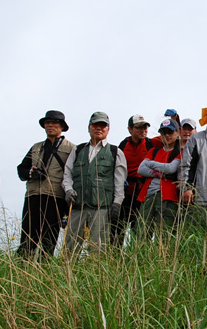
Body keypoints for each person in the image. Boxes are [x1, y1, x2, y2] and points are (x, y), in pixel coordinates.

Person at [62, 112, 128, 255]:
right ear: (89, 127)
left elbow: (119, 181)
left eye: (103, 125)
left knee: (97, 249)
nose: (99, 128)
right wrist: (68, 190)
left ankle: (97, 276)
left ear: (108, 129)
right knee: (69, 249)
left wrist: (117, 203)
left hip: (101, 208)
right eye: (95, 125)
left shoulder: (115, 152)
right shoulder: (78, 150)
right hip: (77, 206)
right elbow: (67, 173)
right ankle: (67, 276)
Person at [16, 110, 75, 258]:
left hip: (56, 197)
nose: (50, 125)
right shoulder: (36, 147)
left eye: (54, 123)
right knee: (27, 237)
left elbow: (75, 176)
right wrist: (31, 172)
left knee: (49, 239)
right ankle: (23, 269)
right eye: (47, 123)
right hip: (33, 195)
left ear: (61, 126)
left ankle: (45, 269)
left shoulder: (72, 148)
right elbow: (21, 169)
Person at [110, 114, 153, 246]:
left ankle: (140, 257)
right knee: (118, 227)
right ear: (130, 129)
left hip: (143, 193)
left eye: (145, 127)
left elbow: (172, 138)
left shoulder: (151, 144)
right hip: (126, 192)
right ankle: (115, 257)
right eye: (139, 127)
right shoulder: (122, 146)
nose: (143, 130)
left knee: (141, 228)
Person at [137, 118, 182, 237]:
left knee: (164, 234)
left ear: (177, 133)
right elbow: (141, 169)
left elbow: (171, 168)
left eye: (170, 132)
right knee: (142, 232)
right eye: (163, 132)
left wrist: (151, 164)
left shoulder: (180, 152)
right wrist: (158, 173)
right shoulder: (153, 151)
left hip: (168, 197)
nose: (166, 135)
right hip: (148, 196)